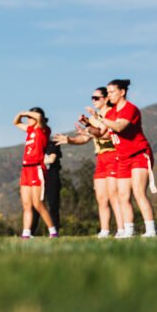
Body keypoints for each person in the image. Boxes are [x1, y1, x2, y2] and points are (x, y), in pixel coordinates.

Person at [88, 79, 156, 237]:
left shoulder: (130, 109)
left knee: (139, 192)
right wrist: (88, 125)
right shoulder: (111, 113)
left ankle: (151, 230)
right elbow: (102, 133)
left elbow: (119, 127)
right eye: (108, 92)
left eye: (111, 92)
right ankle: (128, 231)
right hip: (123, 157)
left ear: (122, 92)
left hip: (139, 153)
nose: (109, 95)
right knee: (122, 195)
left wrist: (98, 117)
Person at [53, 87, 123, 238]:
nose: (93, 101)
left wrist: (89, 129)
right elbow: (85, 138)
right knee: (101, 197)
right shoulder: (92, 119)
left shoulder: (113, 115)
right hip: (101, 158)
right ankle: (104, 230)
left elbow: (107, 136)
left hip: (114, 155)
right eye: (92, 98)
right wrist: (69, 140)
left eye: (96, 98)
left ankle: (122, 229)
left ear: (106, 99)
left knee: (114, 195)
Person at [12, 109, 58, 239]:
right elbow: (15, 123)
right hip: (26, 169)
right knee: (26, 204)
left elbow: (38, 116)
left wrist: (27, 112)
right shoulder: (30, 130)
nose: (28, 119)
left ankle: (53, 231)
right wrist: (21, 114)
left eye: (29, 117)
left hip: (36, 168)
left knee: (38, 203)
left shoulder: (44, 130)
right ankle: (26, 233)